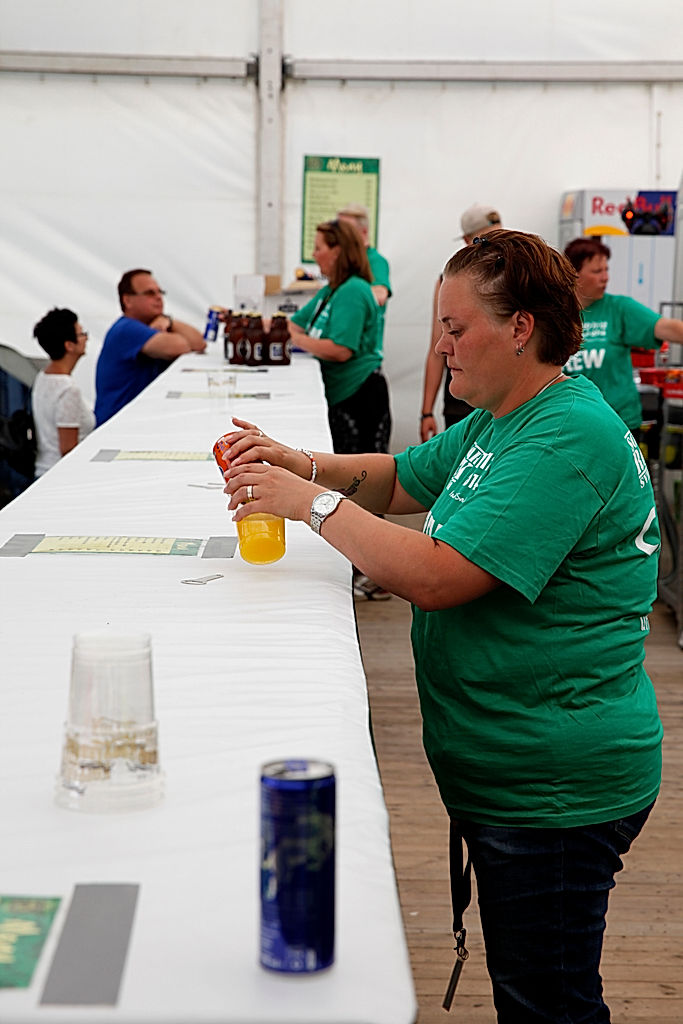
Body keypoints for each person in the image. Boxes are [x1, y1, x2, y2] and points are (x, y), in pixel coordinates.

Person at [221, 229, 662, 1023]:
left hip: (554, 783)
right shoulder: (505, 416)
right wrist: (295, 461)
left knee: (548, 1002)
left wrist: (308, 506)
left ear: (520, 327)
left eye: (456, 329)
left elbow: (433, 575)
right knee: (534, 989)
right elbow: (397, 480)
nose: (441, 349)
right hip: (514, 771)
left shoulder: (565, 433)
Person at [289, 218, 392, 600]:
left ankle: (379, 574)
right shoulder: (332, 290)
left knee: (363, 487)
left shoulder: (351, 291)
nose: (314, 254)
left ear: (339, 250)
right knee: (353, 486)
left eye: (319, 247)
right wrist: (300, 336)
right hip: (347, 394)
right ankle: (365, 568)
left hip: (360, 396)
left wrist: (302, 340)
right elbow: (294, 326)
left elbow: (340, 349)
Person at [563, 236, 683, 435]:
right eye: (597, 271)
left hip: (619, 425)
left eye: (606, 270)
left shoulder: (618, 309)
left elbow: (668, 328)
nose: (605, 277)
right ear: (574, 275)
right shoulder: (555, 316)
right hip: (572, 427)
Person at [420, 203, 502, 442]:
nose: (492, 245)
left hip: (500, 400)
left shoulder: (512, 275)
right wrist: (426, 412)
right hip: (463, 402)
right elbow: (438, 348)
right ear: (468, 241)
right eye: (485, 239)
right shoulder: (450, 280)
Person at [94, 268, 206, 425]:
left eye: (160, 292)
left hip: (134, 419)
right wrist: (167, 323)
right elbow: (180, 347)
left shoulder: (146, 326)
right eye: (149, 293)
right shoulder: (126, 328)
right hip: (117, 424)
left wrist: (169, 321)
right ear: (127, 300)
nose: (158, 297)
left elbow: (199, 343)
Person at [31, 307, 95, 477]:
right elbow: (68, 448)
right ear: (69, 345)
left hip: (43, 470)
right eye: (82, 334)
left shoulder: (42, 376)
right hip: (59, 476)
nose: (86, 338)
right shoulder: (68, 390)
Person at [336, 202, 392, 350]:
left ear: (364, 232)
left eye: (347, 231)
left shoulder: (376, 261)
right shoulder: (344, 263)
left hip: (364, 355)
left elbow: (380, 295)